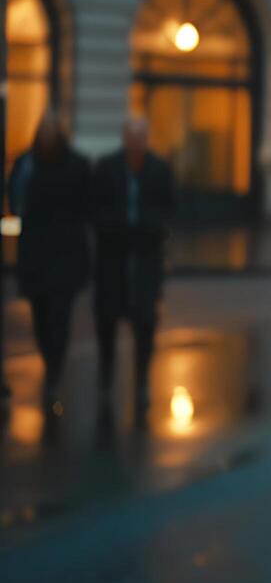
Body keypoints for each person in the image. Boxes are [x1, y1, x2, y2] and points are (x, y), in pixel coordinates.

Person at [91, 116, 175, 415]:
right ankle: (106, 377)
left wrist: (151, 229)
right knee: (107, 322)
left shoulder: (159, 169)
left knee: (145, 325)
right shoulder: (107, 167)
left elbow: (168, 208)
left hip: (145, 261)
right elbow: (96, 208)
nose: (136, 143)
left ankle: (141, 381)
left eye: (141, 137)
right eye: (132, 137)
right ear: (125, 139)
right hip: (113, 259)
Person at [14, 111, 91, 412]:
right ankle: (51, 364)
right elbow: (16, 200)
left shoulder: (76, 166)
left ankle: (53, 372)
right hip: (37, 254)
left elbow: (86, 207)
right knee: (42, 318)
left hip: (64, 254)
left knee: (59, 316)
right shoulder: (27, 165)